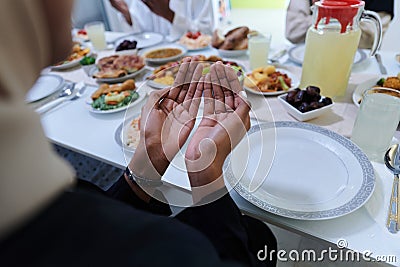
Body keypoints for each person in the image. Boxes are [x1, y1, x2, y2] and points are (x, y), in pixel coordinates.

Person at [0, 0, 277, 266]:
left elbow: (103, 219)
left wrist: (150, 156)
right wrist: (207, 174)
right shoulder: (154, 249)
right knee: (260, 239)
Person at [285, 0, 394, 49]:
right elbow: (293, 31)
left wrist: (328, 16)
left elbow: (369, 40)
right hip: (305, 57)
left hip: (358, 66)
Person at [109, 0, 214, 41]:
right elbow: (140, 37)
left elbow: (207, 34)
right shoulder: (140, 2)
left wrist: (170, 16)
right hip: (154, 65)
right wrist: (127, 15)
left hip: (192, 63)